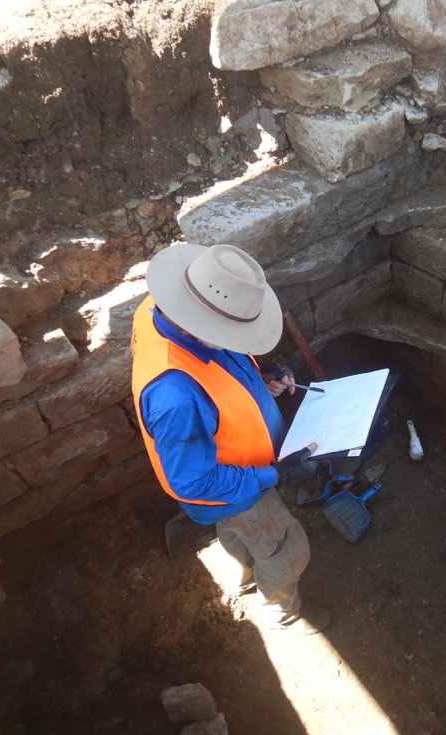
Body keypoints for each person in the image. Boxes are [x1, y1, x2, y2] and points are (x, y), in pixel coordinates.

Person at [130, 242, 329, 633]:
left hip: (231, 481)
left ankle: (244, 572)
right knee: (287, 550)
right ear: (202, 326)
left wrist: (263, 375)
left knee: (239, 534)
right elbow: (192, 480)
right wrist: (275, 475)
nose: (242, 340)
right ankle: (282, 613)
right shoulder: (177, 398)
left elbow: (220, 375)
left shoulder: (157, 308)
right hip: (235, 489)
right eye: (234, 333)